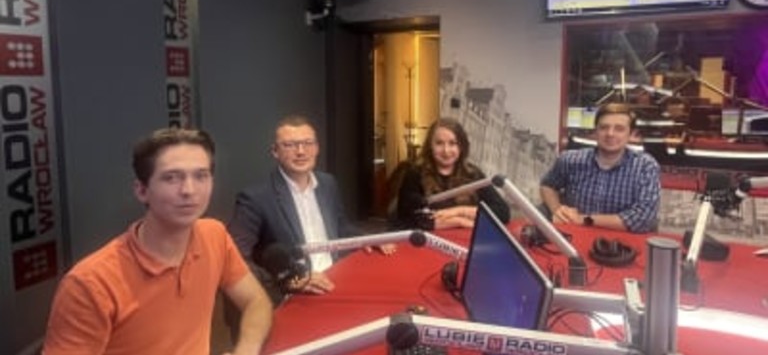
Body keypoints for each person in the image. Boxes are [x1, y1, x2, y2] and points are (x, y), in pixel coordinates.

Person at [42, 128, 273, 355]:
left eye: (200, 176)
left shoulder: (214, 235)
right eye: (171, 178)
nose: (189, 190)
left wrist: (246, 350)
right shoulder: (90, 283)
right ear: (142, 191)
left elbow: (256, 301)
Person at [228, 115, 395, 305]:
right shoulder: (255, 198)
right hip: (294, 297)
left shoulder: (328, 183)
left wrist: (369, 239)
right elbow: (233, 258)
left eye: (308, 143)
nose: (301, 151)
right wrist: (288, 281)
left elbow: (341, 228)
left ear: (317, 148)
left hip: (334, 282)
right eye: (289, 145)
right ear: (275, 151)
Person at [540, 103, 660, 233]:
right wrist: (557, 210)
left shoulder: (645, 167)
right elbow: (548, 185)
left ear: (631, 134)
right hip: (575, 236)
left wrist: (584, 219)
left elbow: (642, 219)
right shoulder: (570, 159)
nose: (610, 134)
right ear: (595, 131)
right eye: (604, 127)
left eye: (619, 129)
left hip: (622, 241)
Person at [395, 117, 511, 230]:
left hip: (465, 239)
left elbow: (502, 212)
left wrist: (458, 211)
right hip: (432, 240)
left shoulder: (473, 173)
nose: (446, 150)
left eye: (452, 143)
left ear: (461, 146)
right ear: (430, 146)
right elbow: (406, 218)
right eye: (439, 143)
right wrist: (458, 221)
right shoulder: (415, 173)